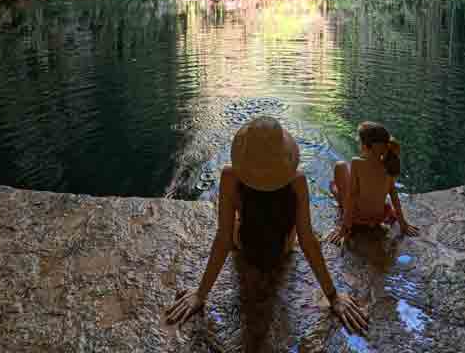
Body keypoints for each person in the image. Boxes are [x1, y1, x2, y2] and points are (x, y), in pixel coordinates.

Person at [164, 116, 368, 333]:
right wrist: (333, 296)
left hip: (243, 246)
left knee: (226, 210)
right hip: (283, 249)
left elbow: (224, 239)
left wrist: (200, 294)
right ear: (283, 155)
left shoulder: (230, 176)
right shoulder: (297, 181)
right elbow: (308, 241)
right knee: (298, 226)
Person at [327, 121, 420, 245]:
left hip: (357, 217)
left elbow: (352, 195)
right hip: (379, 216)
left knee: (340, 167)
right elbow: (393, 193)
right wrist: (403, 223)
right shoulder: (389, 163)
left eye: (359, 141)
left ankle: (339, 202)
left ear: (365, 145)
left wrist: (344, 227)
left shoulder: (357, 163)